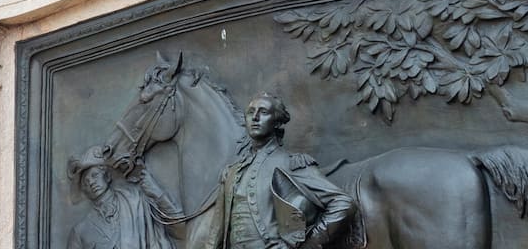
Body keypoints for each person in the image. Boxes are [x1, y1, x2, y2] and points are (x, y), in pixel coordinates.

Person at [193, 94, 355, 249]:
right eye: (251, 112)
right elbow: (217, 231)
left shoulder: (290, 163)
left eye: (263, 112)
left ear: (276, 122)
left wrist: (309, 244)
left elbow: (343, 203)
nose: (255, 117)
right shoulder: (231, 171)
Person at [67, 144, 181, 249]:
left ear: (107, 176)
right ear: (84, 190)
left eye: (95, 175)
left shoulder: (137, 202)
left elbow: (180, 231)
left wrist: (158, 194)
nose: (91, 183)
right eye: (86, 182)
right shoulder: (80, 231)